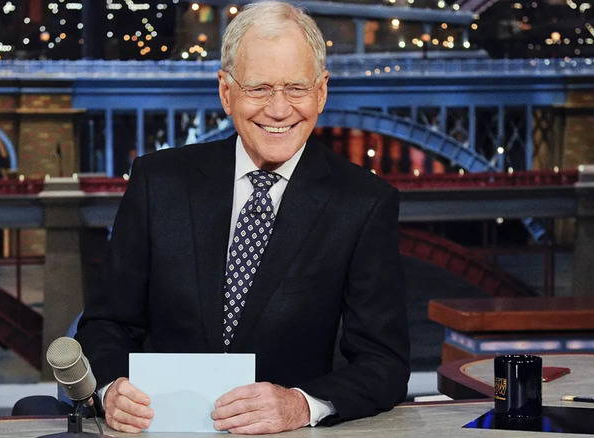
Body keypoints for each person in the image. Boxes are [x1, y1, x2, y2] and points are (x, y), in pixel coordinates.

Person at [75, 1, 410, 434]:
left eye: (296, 88)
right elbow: (106, 324)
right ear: (226, 91)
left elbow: (384, 363)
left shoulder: (364, 202)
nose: (278, 109)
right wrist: (109, 391)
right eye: (258, 88)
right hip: (161, 432)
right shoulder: (158, 182)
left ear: (322, 92)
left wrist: (301, 405)